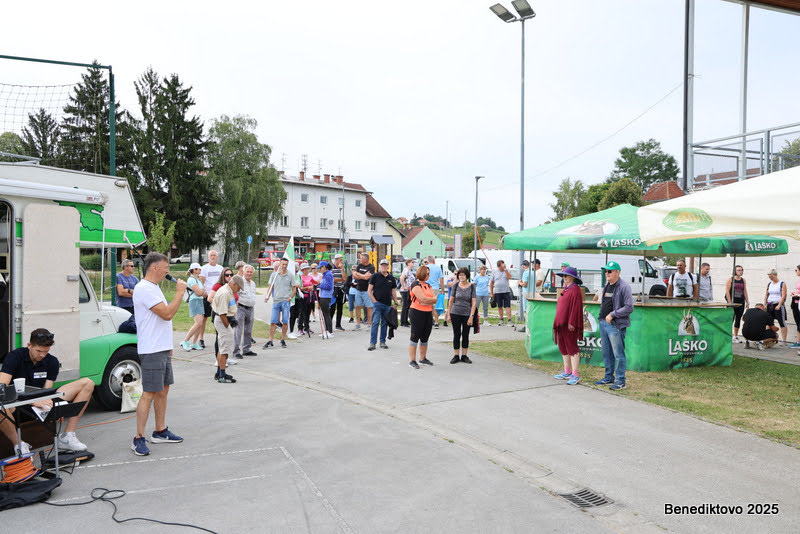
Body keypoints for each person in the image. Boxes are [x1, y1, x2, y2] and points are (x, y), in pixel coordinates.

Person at [0, 329, 95, 454]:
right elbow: (2, 387)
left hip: (41, 400)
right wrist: (32, 401)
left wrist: (54, 408)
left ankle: (67, 436)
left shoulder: (52, 362)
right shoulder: (14, 356)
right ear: (29, 345)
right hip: (18, 403)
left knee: (88, 383)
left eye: (46, 352)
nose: (42, 355)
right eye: (39, 351)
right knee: (1, 405)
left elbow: (46, 391)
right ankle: (19, 445)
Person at [131, 252, 187, 456]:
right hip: (151, 349)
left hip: (161, 347)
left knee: (163, 389)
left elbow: (160, 321)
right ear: (154, 268)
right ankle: (138, 437)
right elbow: (167, 314)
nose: (167, 272)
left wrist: (168, 344)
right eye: (165, 268)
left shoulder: (154, 287)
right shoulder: (144, 288)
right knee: (149, 393)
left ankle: (160, 431)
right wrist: (179, 292)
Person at [592, 261, 633, 391]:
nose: (607, 273)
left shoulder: (624, 286)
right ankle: (609, 377)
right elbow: (604, 303)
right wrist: (601, 318)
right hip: (604, 323)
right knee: (607, 353)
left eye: (609, 271)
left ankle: (621, 381)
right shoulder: (607, 285)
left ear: (617, 272)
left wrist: (612, 314)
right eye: (606, 271)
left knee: (618, 354)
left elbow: (629, 307)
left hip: (615, 325)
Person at [552, 266, 584, 385]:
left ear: (573, 277)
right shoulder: (566, 289)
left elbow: (576, 308)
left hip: (569, 325)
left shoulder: (575, 290)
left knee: (572, 348)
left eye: (566, 275)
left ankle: (575, 374)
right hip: (561, 323)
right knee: (563, 347)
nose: (564, 277)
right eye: (563, 275)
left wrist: (572, 322)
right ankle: (567, 371)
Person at [212, 274, 243, 383]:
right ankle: (222, 375)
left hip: (224, 319)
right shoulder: (225, 293)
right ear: (234, 284)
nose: (239, 290)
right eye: (239, 287)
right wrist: (228, 327)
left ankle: (219, 372)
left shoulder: (227, 290)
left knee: (222, 348)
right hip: (223, 321)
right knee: (225, 349)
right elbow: (222, 313)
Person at [264, 257, 298, 348]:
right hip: (276, 301)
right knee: (273, 321)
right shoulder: (274, 275)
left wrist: (290, 298)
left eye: (286, 264)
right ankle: (270, 340)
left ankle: (283, 339)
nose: (284, 266)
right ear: (280, 264)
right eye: (283, 264)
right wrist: (267, 296)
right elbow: (271, 287)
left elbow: (294, 289)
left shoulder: (290, 275)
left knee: (285, 321)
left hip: (285, 301)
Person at [408, 265, 437, 369]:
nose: (429, 275)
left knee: (425, 336)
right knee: (415, 336)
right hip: (417, 312)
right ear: (422, 273)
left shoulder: (428, 285)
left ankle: (422, 358)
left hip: (427, 312)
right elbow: (422, 298)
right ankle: (412, 360)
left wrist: (429, 300)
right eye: (427, 273)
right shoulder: (415, 284)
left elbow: (434, 299)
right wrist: (429, 300)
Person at [208, 268, 238, 366]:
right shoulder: (219, 286)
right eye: (227, 275)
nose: (229, 276)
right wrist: (221, 304)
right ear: (223, 276)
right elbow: (209, 298)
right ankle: (219, 360)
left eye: (231, 274)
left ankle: (226, 358)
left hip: (229, 314)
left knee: (226, 339)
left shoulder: (232, 287)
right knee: (221, 337)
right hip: (220, 313)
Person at [446, 267, 476, 364]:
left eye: (463, 275)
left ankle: (464, 355)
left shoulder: (472, 287)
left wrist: (471, 316)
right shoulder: (455, 285)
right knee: (456, 334)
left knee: (465, 334)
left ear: (467, 276)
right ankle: (456, 355)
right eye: (460, 275)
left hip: (467, 313)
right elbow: (451, 300)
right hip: (455, 312)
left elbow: (474, 303)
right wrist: (448, 314)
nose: (461, 277)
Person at [367, 259, 399, 350]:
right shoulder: (375, 276)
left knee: (384, 324)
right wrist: (374, 301)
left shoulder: (391, 278)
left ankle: (382, 342)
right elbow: (369, 290)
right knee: (375, 323)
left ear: (388, 267)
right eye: (382, 265)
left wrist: (395, 302)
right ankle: (372, 343)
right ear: (379, 267)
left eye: (385, 265)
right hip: (378, 304)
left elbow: (393, 291)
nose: (384, 267)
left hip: (387, 305)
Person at [198, 250, 224, 349]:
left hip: (219, 297)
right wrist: (204, 292)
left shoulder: (220, 268)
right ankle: (201, 339)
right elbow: (202, 282)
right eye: (211, 255)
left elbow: (223, 281)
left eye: (214, 255)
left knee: (220, 317)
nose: (213, 257)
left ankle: (220, 338)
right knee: (204, 318)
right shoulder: (204, 268)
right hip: (208, 296)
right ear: (208, 257)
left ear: (217, 257)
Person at [233, 265, 258, 358]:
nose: (249, 273)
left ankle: (246, 349)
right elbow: (235, 294)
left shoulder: (253, 283)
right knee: (238, 330)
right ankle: (236, 351)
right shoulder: (240, 282)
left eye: (251, 272)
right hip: (241, 308)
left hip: (251, 308)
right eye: (247, 271)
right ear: (243, 272)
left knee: (248, 330)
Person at [181, 263, 206, 351]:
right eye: (198, 269)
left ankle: (194, 343)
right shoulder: (191, 280)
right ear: (194, 270)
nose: (200, 270)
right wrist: (202, 291)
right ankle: (185, 341)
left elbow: (203, 292)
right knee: (198, 323)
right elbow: (199, 292)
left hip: (200, 300)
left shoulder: (198, 279)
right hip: (194, 301)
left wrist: (201, 292)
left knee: (200, 323)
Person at [725, 265, 749, 343]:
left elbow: (745, 291)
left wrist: (747, 302)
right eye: (738, 270)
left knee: (738, 319)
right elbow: (727, 292)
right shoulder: (730, 280)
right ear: (735, 271)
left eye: (741, 270)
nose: (740, 271)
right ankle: (728, 335)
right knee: (731, 319)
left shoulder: (743, 280)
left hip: (741, 301)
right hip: (733, 301)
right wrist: (729, 303)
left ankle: (735, 336)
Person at [764, 268, 788, 345]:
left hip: (778, 303)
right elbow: (766, 294)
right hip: (770, 304)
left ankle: (784, 340)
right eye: (769, 277)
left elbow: (784, 295)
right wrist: (765, 303)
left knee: (782, 322)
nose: (771, 278)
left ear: (776, 275)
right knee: (769, 322)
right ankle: (769, 338)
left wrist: (779, 305)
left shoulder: (782, 283)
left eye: (772, 276)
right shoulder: (769, 284)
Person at [352, 253, 375, 331]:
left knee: (369, 307)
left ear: (365, 259)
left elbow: (367, 278)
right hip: (358, 289)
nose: (360, 260)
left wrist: (359, 275)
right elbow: (354, 276)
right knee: (357, 306)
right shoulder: (359, 266)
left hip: (367, 290)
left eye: (361, 258)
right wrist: (362, 275)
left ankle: (370, 324)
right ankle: (358, 324)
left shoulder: (371, 267)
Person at [489, 260, 512, 326]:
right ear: (499, 266)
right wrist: (491, 293)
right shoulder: (494, 271)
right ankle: (501, 320)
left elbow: (509, 277)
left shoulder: (506, 270)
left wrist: (505, 269)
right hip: (497, 291)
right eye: (502, 266)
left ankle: (509, 320)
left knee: (508, 306)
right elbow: (491, 283)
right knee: (499, 306)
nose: (503, 266)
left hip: (506, 291)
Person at [317, 261, 334, 339]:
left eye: (321, 267)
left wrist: (319, 286)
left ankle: (330, 331)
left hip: (326, 296)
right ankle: (326, 330)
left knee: (326, 314)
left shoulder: (328, 274)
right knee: (324, 314)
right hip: (323, 295)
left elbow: (329, 286)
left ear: (324, 267)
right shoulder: (325, 274)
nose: (320, 269)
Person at [426, 256, 444, 328]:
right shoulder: (438, 268)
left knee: (428, 305)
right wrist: (442, 289)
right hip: (435, 288)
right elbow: (441, 279)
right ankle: (436, 322)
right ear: (433, 260)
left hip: (427, 287)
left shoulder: (425, 267)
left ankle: (429, 321)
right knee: (435, 306)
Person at [399, 258, 416, 327]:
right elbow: (401, 278)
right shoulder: (406, 270)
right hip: (405, 291)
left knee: (408, 305)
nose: (413, 264)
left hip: (409, 290)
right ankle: (403, 321)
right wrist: (404, 286)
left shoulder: (410, 271)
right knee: (405, 306)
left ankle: (405, 320)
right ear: (408, 263)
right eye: (412, 262)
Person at [332, 254, 347, 331]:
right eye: (340, 260)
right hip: (334, 289)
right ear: (336, 260)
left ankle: (338, 325)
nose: (341, 262)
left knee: (340, 308)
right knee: (332, 307)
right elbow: (332, 279)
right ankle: (329, 325)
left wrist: (342, 269)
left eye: (342, 260)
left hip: (341, 289)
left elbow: (345, 279)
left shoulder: (342, 268)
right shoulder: (331, 268)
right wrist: (341, 279)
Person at [791, 265, 800, 348]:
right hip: (795, 302)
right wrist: (795, 293)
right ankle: (798, 342)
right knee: (798, 323)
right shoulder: (799, 279)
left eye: (796, 270)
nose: (795, 271)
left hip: (798, 303)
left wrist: (797, 295)